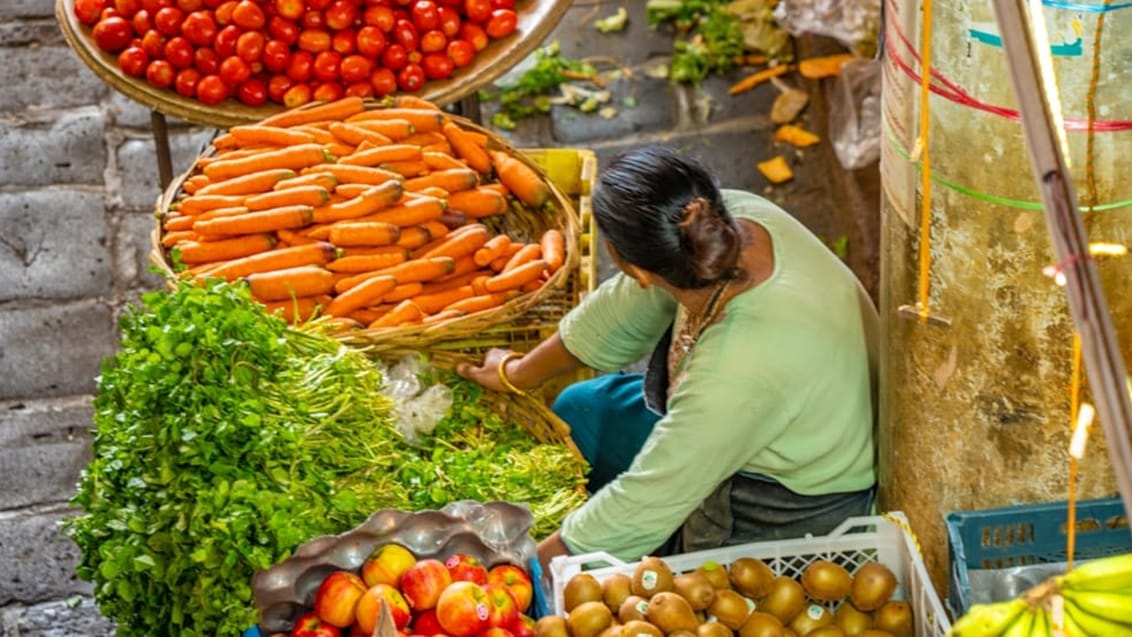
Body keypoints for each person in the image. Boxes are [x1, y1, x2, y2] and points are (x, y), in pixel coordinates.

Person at [456, 145, 878, 569]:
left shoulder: (738, 366)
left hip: (790, 498)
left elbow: (649, 501)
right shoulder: (717, 226)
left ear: (635, 267)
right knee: (580, 409)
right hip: (748, 416)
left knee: (681, 577)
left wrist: (523, 571)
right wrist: (516, 374)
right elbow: (617, 314)